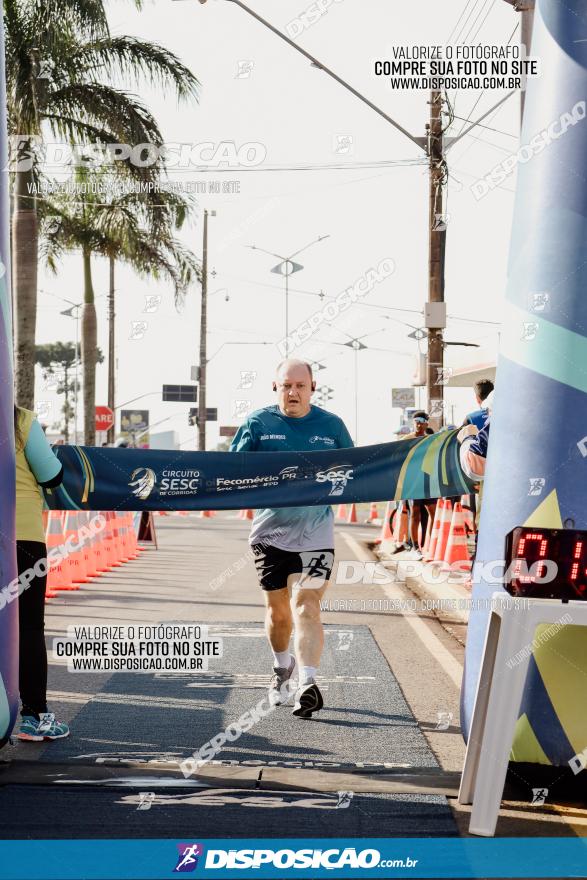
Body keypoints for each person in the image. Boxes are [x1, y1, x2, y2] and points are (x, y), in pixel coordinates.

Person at [230, 359, 354, 718]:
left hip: (317, 533)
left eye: (300, 386)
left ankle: (308, 684)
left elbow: (355, 470)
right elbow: (231, 471)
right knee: (279, 613)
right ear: (275, 388)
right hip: (270, 534)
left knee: (307, 605)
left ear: (313, 388)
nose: (293, 392)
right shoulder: (258, 423)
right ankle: (282, 668)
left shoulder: (332, 427)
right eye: (286, 386)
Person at [14, 405, 70, 741]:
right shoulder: (22, 420)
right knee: (29, 626)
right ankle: (34, 716)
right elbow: (52, 475)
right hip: (23, 539)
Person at [401, 412, 436, 560]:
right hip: (412, 482)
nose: (418, 424)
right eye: (416, 421)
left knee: (433, 513)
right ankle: (415, 547)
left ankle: (430, 545)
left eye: (422, 421)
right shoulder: (406, 440)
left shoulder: (431, 440)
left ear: (427, 424)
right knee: (415, 513)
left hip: (428, 481)